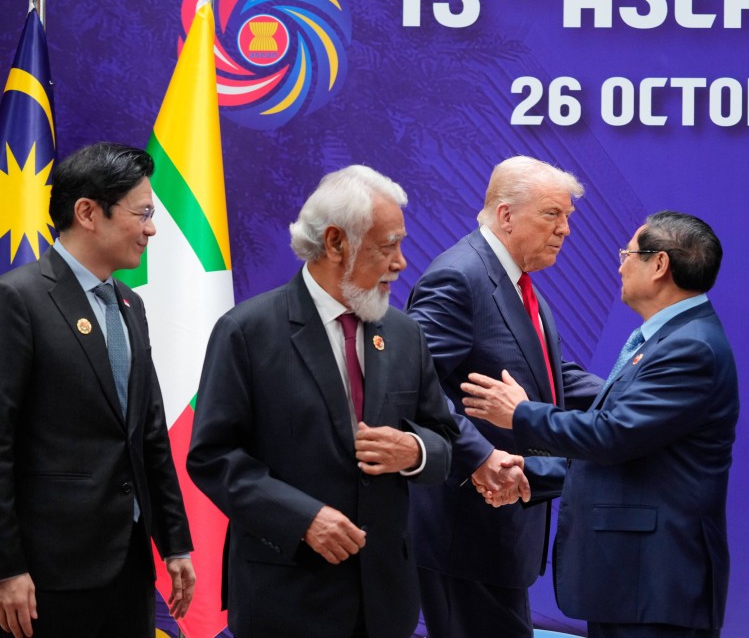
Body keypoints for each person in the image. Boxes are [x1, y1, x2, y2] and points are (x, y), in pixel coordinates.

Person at [187, 165, 458, 638]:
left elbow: (444, 440)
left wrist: (415, 453)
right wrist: (301, 518)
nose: (401, 263)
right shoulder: (248, 331)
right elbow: (213, 457)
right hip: (287, 596)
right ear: (335, 243)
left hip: (385, 601)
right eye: (387, 246)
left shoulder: (404, 333)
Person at [462, 211, 739, 638]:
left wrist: (518, 413)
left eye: (627, 253)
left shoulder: (690, 348)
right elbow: (635, 457)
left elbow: (611, 435)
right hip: (632, 584)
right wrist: (530, 474)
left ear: (659, 265)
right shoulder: (666, 340)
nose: (620, 265)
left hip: (655, 586)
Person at [0, 142, 195, 638]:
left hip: (128, 566)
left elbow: (148, 434)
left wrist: (174, 543)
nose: (152, 228)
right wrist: (7, 568)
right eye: (143, 212)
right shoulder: (18, 300)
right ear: (88, 212)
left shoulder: (130, 304)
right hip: (47, 576)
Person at [405, 155, 604, 638]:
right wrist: (479, 456)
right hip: (464, 526)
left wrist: (635, 395)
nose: (565, 231)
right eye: (552, 215)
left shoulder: (514, 281)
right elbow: (409, 384)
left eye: (568, 218)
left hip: (498, 533)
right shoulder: (460, 277)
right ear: (506, 214)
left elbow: (550, 376)